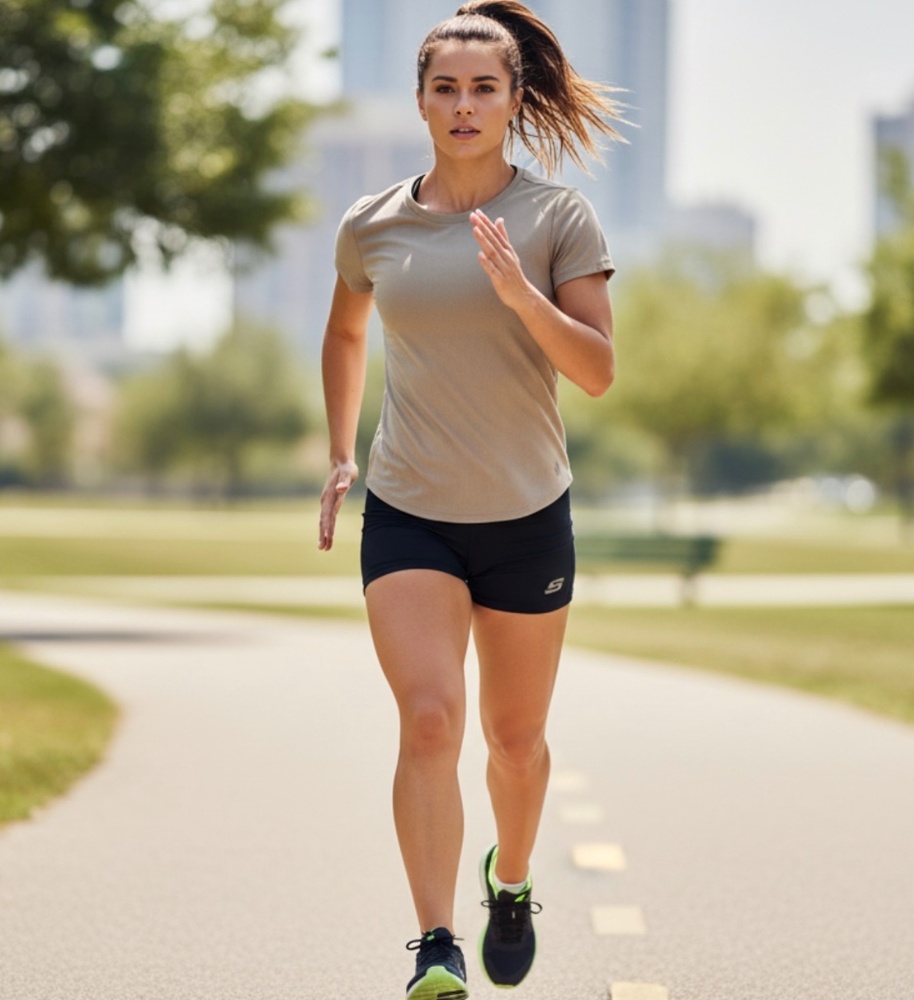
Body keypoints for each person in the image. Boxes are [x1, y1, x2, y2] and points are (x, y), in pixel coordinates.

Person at [318, 2, 625, 997]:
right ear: (419, 100)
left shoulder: (556, 218)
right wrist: (337, 451)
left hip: (526, 510)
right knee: (429, 721)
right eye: (444, 88)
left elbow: (597, 372)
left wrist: (517, 292)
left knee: (514, 742)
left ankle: (514, 878)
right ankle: (435, 944)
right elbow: (345, 335)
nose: (462, 105)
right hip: (409, 506)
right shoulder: (372, 224)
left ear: (513, 99)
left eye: (483, 87)